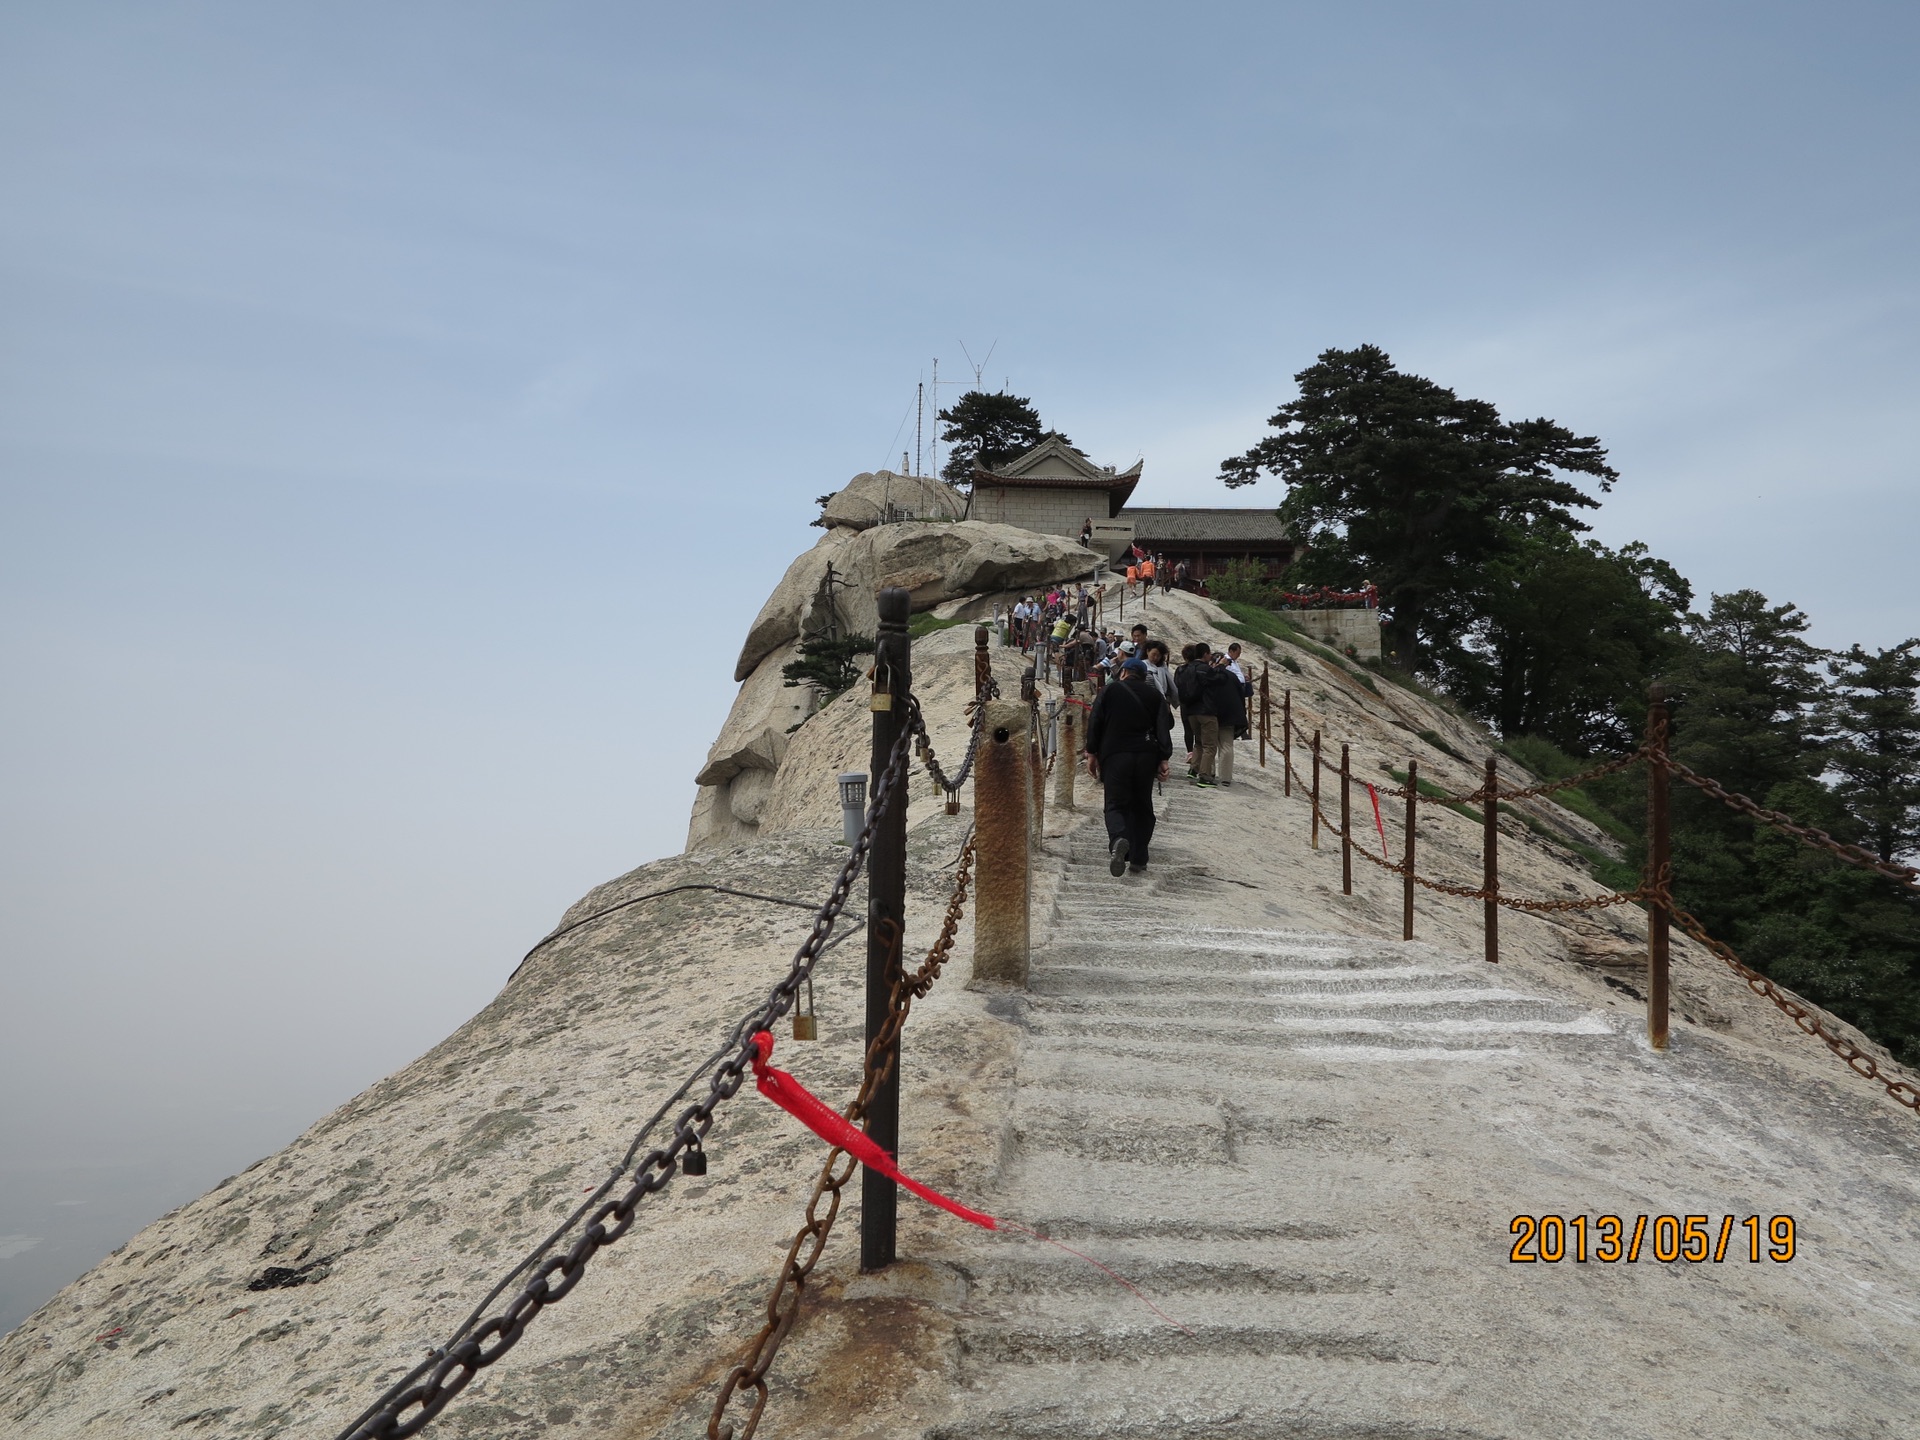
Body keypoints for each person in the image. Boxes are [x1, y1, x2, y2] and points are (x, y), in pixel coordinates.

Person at [1084, 657, 1173, 876]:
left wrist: (1092, 752)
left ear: (1123, 673)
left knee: (1115, 804)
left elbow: (1095, 721)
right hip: (1145, 755)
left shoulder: (1109, 691)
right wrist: (1164, 758)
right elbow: (1164, 726)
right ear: (1143, 677)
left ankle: (1119, 839)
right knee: (1142, 805)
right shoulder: (1154, 696)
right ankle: (1139, 857)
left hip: (1115, 754)